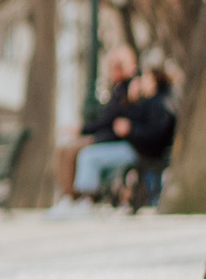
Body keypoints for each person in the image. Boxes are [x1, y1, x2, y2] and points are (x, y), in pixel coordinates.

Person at [71, 69, 177, 202]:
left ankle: (87, 198)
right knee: (92, 157)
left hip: (140, 150)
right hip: (133, 146)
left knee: (88, 157)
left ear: (153, 82)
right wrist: (130, 100)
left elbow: (154, 134)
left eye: (144, 78)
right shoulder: (146, 101)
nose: (139, 81)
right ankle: (94, 196)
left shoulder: (158, 103)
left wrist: (130, 130)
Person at [53, 43, 138, 200]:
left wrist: (82, 129)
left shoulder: (131, 88)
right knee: (63, 150)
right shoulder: (118, 89)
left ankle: (74, 196)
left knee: (73, 151)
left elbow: (109, 120)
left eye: (117, 66)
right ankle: (65, 195)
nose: (112, 71)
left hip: (114, 139)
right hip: (106, 136)